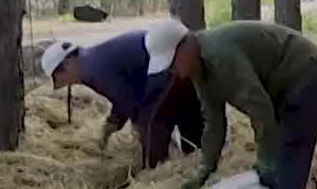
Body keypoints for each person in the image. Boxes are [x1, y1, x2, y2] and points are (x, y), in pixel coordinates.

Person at [148, 19, 317, 189]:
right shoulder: (199, 71)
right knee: (279, 154)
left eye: (171, 63)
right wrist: (204, 169)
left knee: (290, 151)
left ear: (184, 47)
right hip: (282, 85)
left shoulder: (219, 55)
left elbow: (260, 109)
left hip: (307, 72)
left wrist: (265, 160)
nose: (171, 71)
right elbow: (213, 122)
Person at [40, 31, 203, 168]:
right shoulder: (92, 59)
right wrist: (113, 122)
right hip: (178, 68)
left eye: (59, 78)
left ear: (67, 64)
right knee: (192, 136)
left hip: (168, 70)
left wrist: (117, 124)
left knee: (150, 126)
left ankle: (158, 174)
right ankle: (199, 164)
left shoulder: (92, 70)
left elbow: (130, 103)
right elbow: (125, 96)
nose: (65, 83)